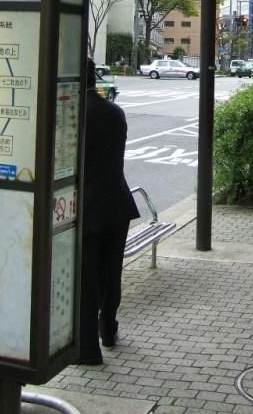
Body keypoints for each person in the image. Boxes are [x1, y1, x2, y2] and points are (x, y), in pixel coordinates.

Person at [78, 58, 140, 365]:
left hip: (85, 207)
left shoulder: (70, 113)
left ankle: (88, 348)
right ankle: (108, 329)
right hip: (117, 202)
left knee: (86, 276)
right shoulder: (115, 112)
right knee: (110, 271)